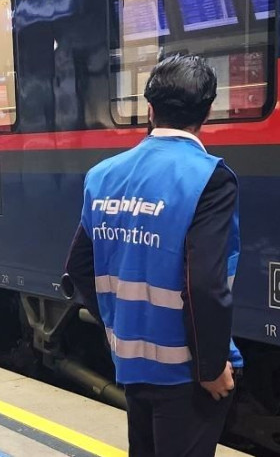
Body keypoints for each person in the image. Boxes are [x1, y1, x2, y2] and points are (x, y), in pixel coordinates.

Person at [65, 54, 243, 457]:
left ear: (149, 110)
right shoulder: (210, 179)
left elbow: (78, 268)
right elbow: (204, 283)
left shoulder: (103, 175)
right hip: (185, 375)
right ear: (208, 112)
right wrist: (210, 368)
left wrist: (120, 326)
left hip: (132, 363)